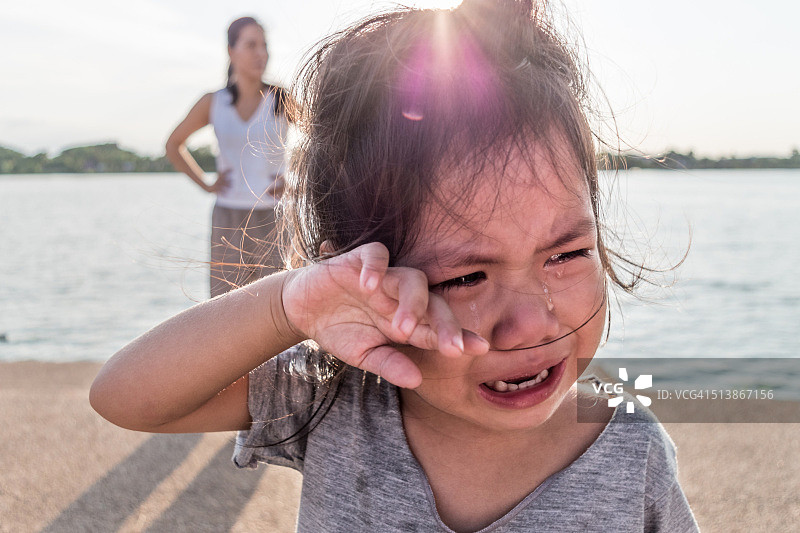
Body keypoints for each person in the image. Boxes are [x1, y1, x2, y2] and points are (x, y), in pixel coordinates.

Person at [91, 1, 699, 531]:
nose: (533, 324)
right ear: (364, 279)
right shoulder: (335, 399)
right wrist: (292, 305)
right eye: (465, 277)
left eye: (567, 254)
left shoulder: (632, 453)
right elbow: (126, 397)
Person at [165, 16, 290, 298]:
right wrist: (206, 184)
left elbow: (324, 139)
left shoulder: (281, 99)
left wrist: (297, 181)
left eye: (264, 46)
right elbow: (173, 144)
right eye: (251, 45)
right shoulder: (213, 102)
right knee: (225, 305)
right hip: (228, 219)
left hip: (275, 219)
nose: (261, 53)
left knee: (279, 306)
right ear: (231, 51)